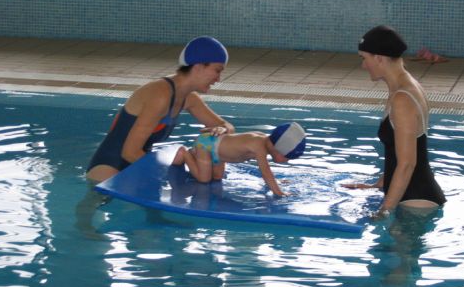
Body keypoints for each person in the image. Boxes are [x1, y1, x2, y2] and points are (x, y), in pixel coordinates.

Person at [86, 36, 235, 182]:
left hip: (139, 162)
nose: (218, 79)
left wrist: (222, 130)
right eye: (217, 70)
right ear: (198, 67)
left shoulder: (188, 98)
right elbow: (129, 152)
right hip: (110, 166)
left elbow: (226, 126)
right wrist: (164, 172)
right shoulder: (160, 95)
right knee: (100, 204)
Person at [343, 25, 446, 217]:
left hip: (415, 201)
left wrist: (384, 210)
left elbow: (407, 164)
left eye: (364, 58)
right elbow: (399, 151)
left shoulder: (403, 99)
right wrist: (377, 185)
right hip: (410, 196)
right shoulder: (405, 87)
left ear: (379, 58)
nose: (363, 65)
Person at [173, 122, 306, 196]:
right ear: (278, 149)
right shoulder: (258, 146)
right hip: (206, 145)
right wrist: (279, 192)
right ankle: (185, 153)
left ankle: (194, 156)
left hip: (219, 152)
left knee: (217, 177)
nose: (286, 161)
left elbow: (266, 174)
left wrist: (276, 183)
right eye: (286, 157)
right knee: (204, 179)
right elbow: (265, 172)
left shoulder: (263, 139)